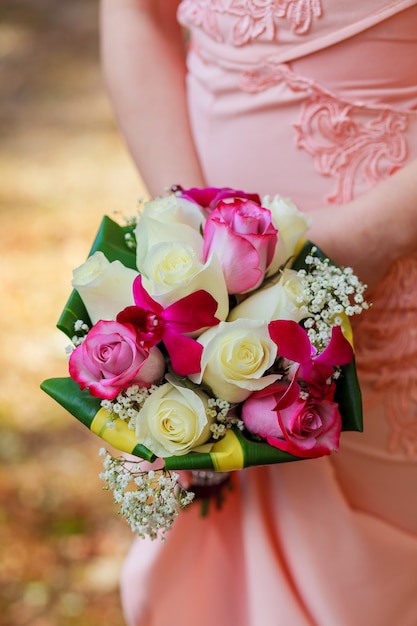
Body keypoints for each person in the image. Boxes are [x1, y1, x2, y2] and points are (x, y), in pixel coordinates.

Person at [99, 2, 417, 625]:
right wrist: (186, 238)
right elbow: (137, 11)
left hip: (394, 290)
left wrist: (372, 240)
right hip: (208, 291)